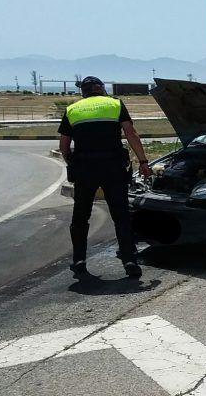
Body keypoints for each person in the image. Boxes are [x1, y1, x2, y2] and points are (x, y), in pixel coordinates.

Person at [57, 76, 152, 278]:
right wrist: (143, 162)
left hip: (84, 170)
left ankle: (79, 261)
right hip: (113, 168)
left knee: (80, 216)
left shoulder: (73, 109)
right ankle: (129, 260)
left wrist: (71, 162)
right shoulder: (115, 104)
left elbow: (64, 145)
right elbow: (131, 133)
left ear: (83, 92)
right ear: (101, 89)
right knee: (121, 215)